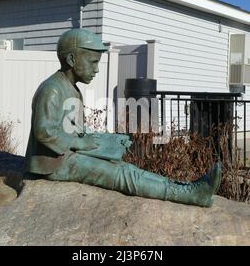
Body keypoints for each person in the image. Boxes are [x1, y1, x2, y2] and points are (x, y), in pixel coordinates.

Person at [24, 28, 221, 207]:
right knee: (122, 174)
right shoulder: (52, 89)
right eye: (93, 62)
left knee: (127, 167)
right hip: (54, 164)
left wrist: (105, 140)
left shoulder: (70, 88)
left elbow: (73, 128)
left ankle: (187, 188)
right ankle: (189, 194)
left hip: (66, 155)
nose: (97, 69)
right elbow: (45, 132)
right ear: (72, 60)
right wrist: (82, 144)